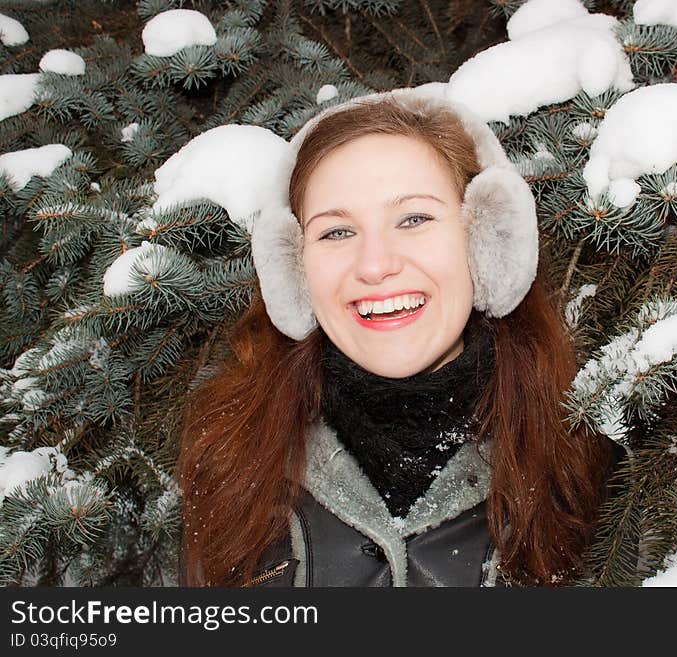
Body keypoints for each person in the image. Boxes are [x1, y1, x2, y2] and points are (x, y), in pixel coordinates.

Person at [175, 88, 626, 587]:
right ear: (294, 270)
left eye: (414, 219)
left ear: (486, 238)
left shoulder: (595, 464)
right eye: (336, 232)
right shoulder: (231, 464)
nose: (374, 266)